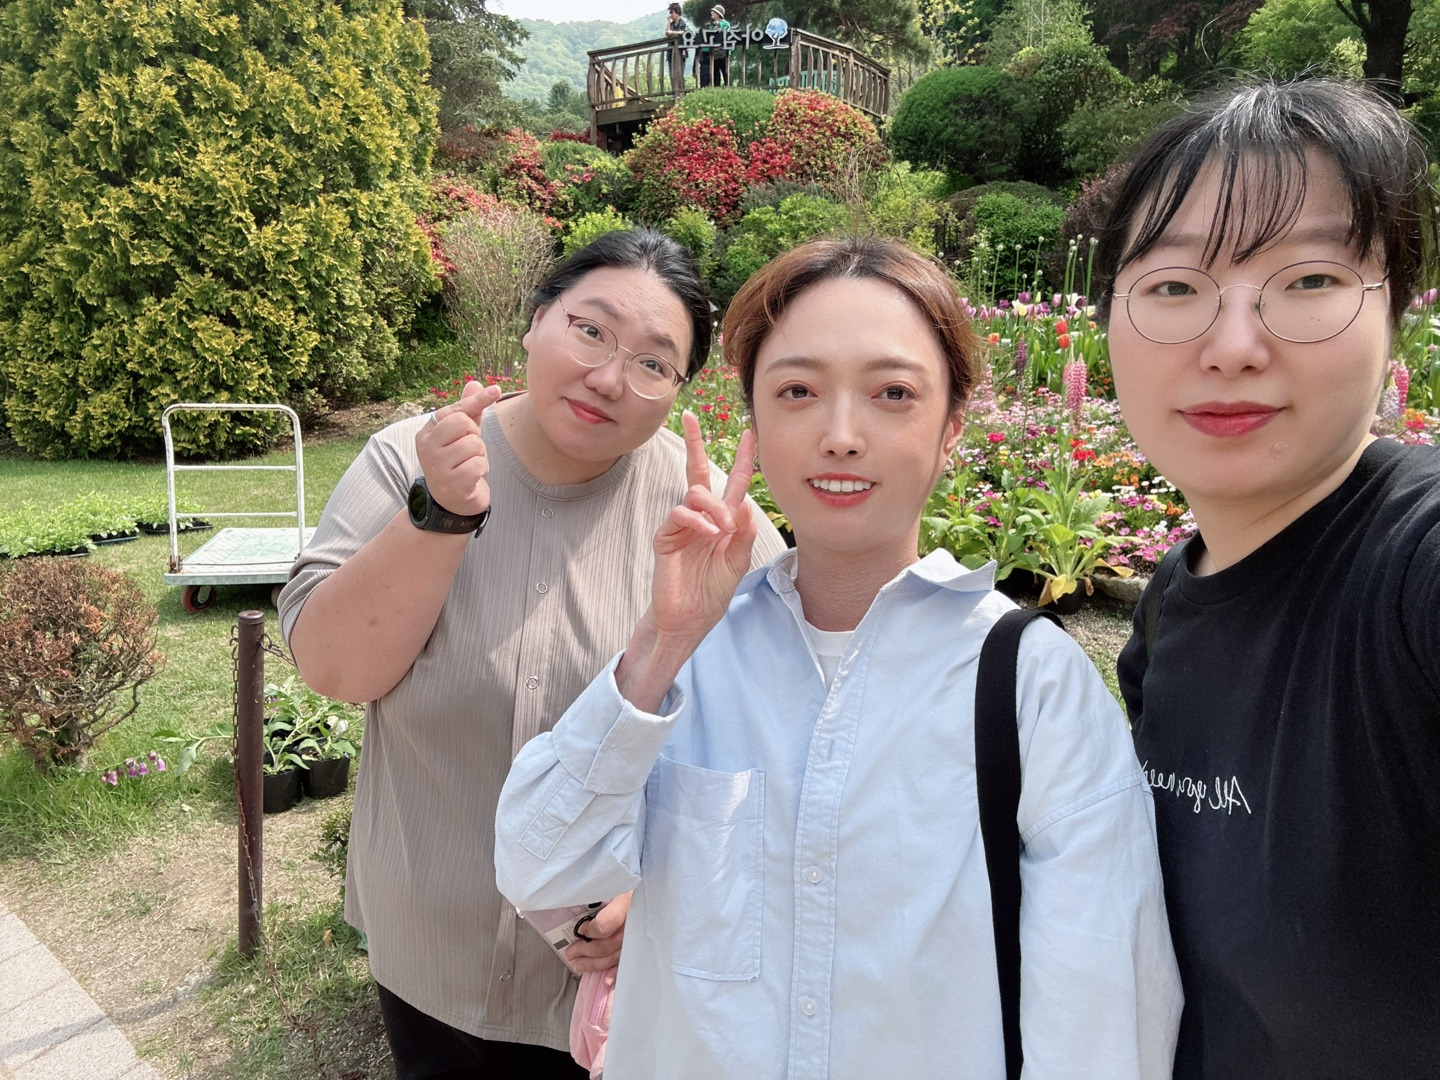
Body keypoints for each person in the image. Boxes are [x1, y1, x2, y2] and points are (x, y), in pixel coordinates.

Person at [497, 237, 1182, 1079]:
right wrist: (661, 646)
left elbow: (1103, 1021)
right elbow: (538, 869)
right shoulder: (688, 659)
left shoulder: (1030, 685)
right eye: (798, 391)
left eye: (893, 393)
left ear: (951, 428)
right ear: (755, 424)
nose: (842, 436)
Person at [278, 229, 786, 1079]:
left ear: (680, 391)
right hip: (429, 951)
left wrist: (665, 892)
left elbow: (783, 741)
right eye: (590, 330)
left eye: (652, 362)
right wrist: (439, 513)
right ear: (536, 320)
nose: (608, 377)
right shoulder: (413, 457)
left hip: (604, 980)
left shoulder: (704, 518)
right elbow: (336, 670)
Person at [1099, 78, 1440, 1079]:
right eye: (1173, 287)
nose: (1234, 347)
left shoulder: (1412, 564)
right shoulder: (1170, 608)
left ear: (1398, 314)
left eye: (1309, 280)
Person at [697, 4, 730, 87]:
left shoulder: (725, 24)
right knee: (715, 77)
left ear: (718, 14)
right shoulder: (710, 25)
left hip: (723, 54)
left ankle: (728, 88)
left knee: (726, 74)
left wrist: (718, 26)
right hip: (713, 55)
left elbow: (727, 34)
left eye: (714, 11)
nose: (711, 13)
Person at [664, 3, 689, 89]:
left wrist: (673, 33)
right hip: (671, 52)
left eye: (672, 12)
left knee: (680, 74)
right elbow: (667, 34)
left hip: (681, 52)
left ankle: (681, 92)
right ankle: (674, 93)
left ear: (677, 12)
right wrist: (668, 22)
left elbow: (686, 32)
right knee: (672, 75)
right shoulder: (671, 24)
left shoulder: (683, 21)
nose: (670, 15)